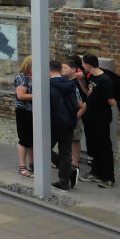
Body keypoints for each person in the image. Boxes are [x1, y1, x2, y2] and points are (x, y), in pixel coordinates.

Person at [79, 54, 116, 187]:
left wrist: (99, 96)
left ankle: (108, 177)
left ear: (88, 65)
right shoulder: (92, 77)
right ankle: (96, 172)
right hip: (90, 117)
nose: (82, 66)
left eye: (83, 64)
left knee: (104, 147)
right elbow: (87, 93)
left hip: (101, 119)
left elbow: (111, 102)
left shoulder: (104, 80)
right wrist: (81, 81)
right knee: (93, 146)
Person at [49, 59, 81, 190]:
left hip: (54, 122)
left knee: (42, 148)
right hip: (69, 122)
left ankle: (67, 173)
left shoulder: (48, 84)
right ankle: (64, 181)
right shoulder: (70, 84)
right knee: (66, 152)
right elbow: (77, 104)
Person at [14, 55, 34, 178]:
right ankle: (22, 167)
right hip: (23, 110)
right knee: (24, 139)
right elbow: (20, 95)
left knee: (32, 139)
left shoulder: (35, 77)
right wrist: (36, 95)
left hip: (33, 111)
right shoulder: (22, 77)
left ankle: (33, 164)